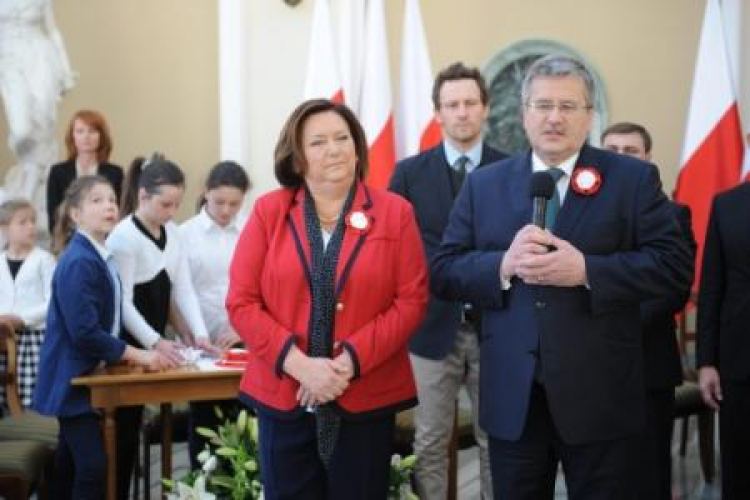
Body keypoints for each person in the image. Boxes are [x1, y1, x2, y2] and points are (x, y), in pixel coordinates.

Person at [431, 55, 693, 499]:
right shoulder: (485, 184)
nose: (555, 117)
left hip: (601, 397)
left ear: (590, 116)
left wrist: (588, 270)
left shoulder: (632, 179)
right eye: (543, 105)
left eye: (569, 107)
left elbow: (673, 266)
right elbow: (444, 270)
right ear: (523, 114)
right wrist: (502, 265)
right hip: (515, 399)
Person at [226, 98, 428, 499]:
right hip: (285, 394)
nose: (334, 149)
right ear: (297, 158)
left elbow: (411, 300)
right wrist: (302, 366)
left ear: (357, 148)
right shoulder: (270, 212)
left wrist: (345, 365)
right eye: (318, 142)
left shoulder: (394, 212)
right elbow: (241, 302)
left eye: (342, 138)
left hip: (364, 393)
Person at [389, 61, 506, 499]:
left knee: (497, 439)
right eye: (452, 104)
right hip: (430, 328)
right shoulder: (408, 174)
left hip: (496, 326)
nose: (462, 112)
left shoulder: (511, 169)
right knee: (430, 442)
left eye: (470, 103)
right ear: (437, 112)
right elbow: (393, 251)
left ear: (485, 108)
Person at [32, 175, 172, 499]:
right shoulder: (80, 261)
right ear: (75, 215)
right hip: (72, 381)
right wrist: (138, 354)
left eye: (111, 199)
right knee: (93, 468)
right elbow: (84, 333)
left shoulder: (99, 255)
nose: (108, 205)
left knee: (68, 465)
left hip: (87, 377)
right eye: (96, 200)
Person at [106, 155, 216, 499]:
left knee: (141, 425)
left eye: (177, 204)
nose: (172, 211)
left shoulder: (171, 232)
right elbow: (123, 303)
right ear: (142, 196)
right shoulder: (124, 236)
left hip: (155, 342)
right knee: (123, 431)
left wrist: (200, 335)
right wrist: (154, 342)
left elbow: (182, 287)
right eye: (165, 204)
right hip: (129, 343)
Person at [601, 121, 696, 500]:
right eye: (612, 152)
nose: (621, 159)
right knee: (599, 472)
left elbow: (673, 288)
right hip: (590, 369)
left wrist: (613, 324)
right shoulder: (576, 213)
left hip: (647, 364)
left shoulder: (673, 213)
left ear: (648, 159)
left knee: (650, 471)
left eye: (631, 152)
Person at [179, 160, 251, 468]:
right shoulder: (184, 234)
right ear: (205, 193)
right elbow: (180, 291)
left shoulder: (250, 229)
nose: (226, 210)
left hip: (243, 341)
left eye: (234, 203)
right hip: (201, 344)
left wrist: (245, 331)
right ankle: (203, 485)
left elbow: (263, 285)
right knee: (204, 419)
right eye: (219, 201)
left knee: (245, 420)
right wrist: (192, 334)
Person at [697, 181, 750, 499]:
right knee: (740, 465)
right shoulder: (727, 204)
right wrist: (706, 362)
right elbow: (711, 288)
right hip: (739, 357)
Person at [0, 0, 76, 201]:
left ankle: (34, 183)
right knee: (21, 131)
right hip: (9, 60)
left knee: (43, 119)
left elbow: (53, 31)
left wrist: (65, 70)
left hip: (40, 56)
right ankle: (29, 174)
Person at [0, 198, 56, 409]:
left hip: (34, 338)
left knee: (33, 392)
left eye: (33, 221)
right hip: (3, 338)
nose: (31, 226)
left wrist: (21, 319)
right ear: (5, 228)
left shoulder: (45, 260)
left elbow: (53, 302)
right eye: (22, 222)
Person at [47, 109, 124, 233]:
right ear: (72, 136)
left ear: (101, 136)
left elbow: (120, 212)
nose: (86, 137)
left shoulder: (115, 173)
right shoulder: (58, 172)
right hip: (68, 239)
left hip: (106, 237)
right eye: (80, 131)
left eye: (92, 131)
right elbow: (53, 216)